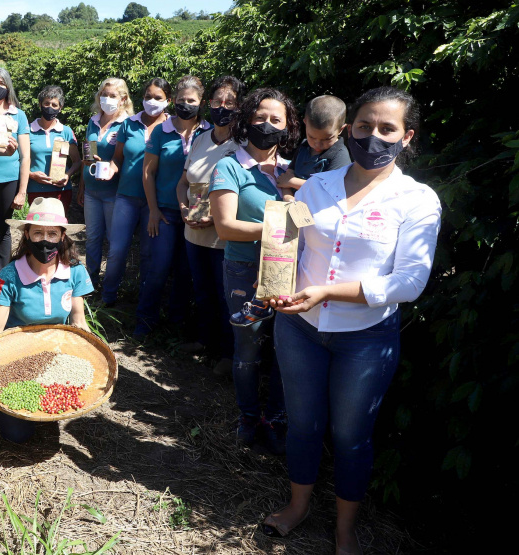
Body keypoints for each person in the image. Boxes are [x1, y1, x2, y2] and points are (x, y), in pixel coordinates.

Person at [261, 87, 441, 555]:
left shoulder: (417, 200)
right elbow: (289, 241)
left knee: (351, 435)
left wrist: (326, 292)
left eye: (387, 129)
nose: (373, 136)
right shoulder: (318, 186)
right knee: (302, 424)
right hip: (299, 328)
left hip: (364, 339)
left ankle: (344, 528)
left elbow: (410, 281)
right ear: (349, 129)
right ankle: (298, 505)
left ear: (407, 137)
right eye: (364, 126)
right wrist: (275, 281)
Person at [209, 87, 300, 454]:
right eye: (260, 117)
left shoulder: (293, 170)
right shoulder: (230, 166)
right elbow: (226, 227)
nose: (267, 125)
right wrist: (280, 225)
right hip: (245, 267)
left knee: (285, 347)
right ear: (247, 120)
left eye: (275, 119)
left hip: (287, 270)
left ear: (288, 125)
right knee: (247, 346)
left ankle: (276, 418)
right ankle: (248, 416)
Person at [135, 75, 211, 338]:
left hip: (197, 213)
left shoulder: (209, 132)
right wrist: (153, 211)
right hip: (166, 212)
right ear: (174, 101)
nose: (186, 105)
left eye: (191, 101)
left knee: (185, 271)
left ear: (201, 102)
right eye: (181, 100)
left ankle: (176, 324)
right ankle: (144, 321)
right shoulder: (161, 131)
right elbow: (148, 173)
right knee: (158, 268)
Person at [174, 75, 244, 364]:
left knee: (225, 296)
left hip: (222, 236)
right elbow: (183, 182)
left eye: (229, 102)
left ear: (239, 107)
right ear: (209, 103)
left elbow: (246, 192)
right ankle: (205, 342)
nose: (222, 107)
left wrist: (216, 215)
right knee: (202, 292)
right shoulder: (200, 139)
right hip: (194, 232)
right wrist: (182, 208)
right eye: (217, 101)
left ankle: (228, 355)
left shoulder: (243, 145)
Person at [100, 77, 172, 307]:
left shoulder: (171, 127)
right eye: (148, 97)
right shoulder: (129, 124)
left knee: (148, 254)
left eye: (157, 98)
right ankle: (108, 297)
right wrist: (110, 169)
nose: (152, 101)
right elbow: (117, 159)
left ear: (168, 101)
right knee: (117, 251)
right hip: (127, 198)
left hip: (156, 204)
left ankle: (143, 303)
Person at [0, 197, 92, 343]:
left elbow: (78, 322)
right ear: (27, 234)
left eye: (52, 234)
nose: (44, 240)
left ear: (62, 236)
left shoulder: (75, 272)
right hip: (15, 346)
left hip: (57, 345)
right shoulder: (9, 276)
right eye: (38, 233)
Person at [80, 77, 133, 284]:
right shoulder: (93, 121)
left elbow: (128, 158)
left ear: (123, 99)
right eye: (104, 94)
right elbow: (88, 151)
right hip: (91, 191)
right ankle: (90, 282)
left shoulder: (127, 123)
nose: (107, 99)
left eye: (112, 95)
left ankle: (111, 283)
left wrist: (112, 166)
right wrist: (82, 183)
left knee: (113, 240)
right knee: (92, 238)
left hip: (114, 192)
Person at [0, 67, 31, 272]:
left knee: (3, 229)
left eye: (1, 83)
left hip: (8, 179)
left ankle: (1, 276)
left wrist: (22, 191)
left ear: (8, 87)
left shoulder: (18, 115)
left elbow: (25, 156)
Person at [277, 95, 351, 201]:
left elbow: (330, 189)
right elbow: (288, 174)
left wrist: (292, 182)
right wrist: (287, 195)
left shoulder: (339, 155)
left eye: (326, 139)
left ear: (340, 129)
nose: (317, 144)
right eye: (311, 137)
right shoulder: (304, 145)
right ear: (305, 123)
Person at [26, 85, 82, 210]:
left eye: (54, 105)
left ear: (60, 108)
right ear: (40, 104)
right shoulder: (27, 130)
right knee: (37, 227)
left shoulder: (66, 132)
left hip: (61, 191)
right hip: (35, 190)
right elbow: (19, 161)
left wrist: (67, 175)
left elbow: (77, 162)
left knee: (58, 227)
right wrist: (31, 175)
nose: (50, 107)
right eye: (46, 103)